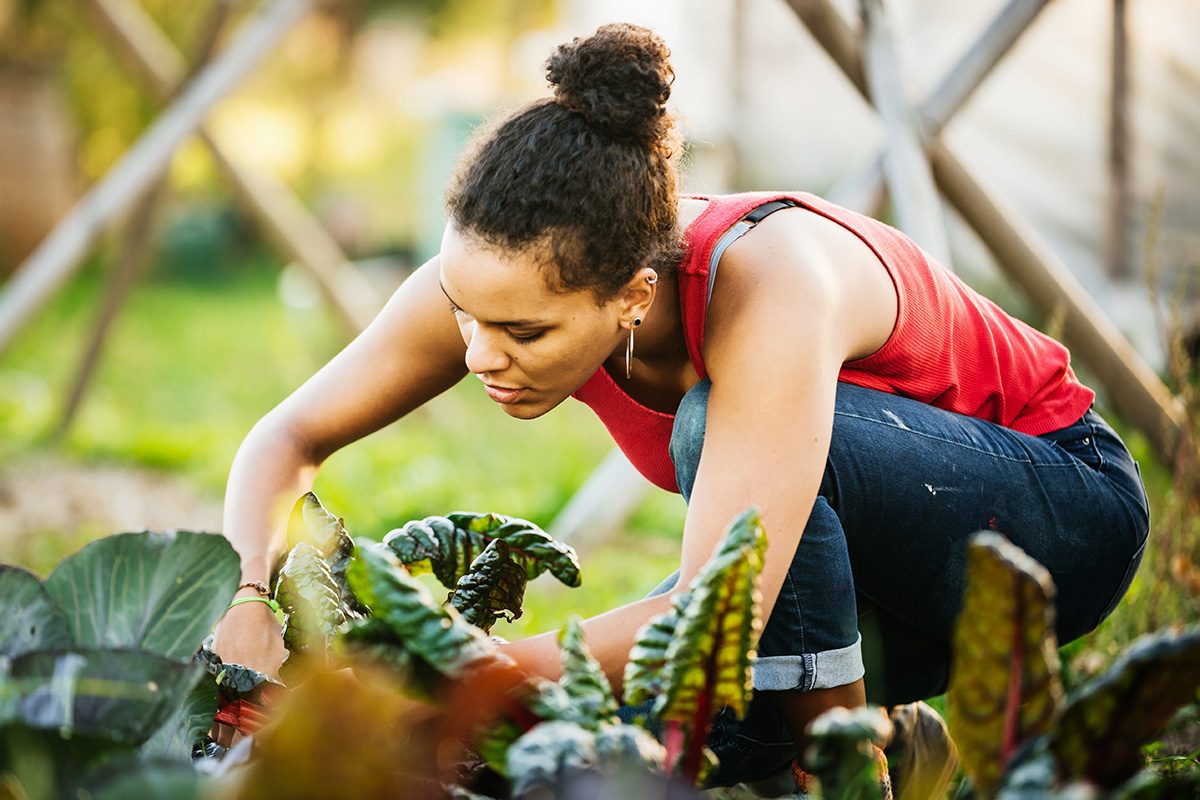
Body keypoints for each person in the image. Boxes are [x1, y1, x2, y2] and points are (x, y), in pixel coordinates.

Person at [213, 22, 1150, 795]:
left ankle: (851, 774)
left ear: (632, 295)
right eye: (463, 314)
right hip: (861, 578)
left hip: (1057, 518)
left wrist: (467, 671)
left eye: (524, 335)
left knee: (708, 450)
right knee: (649, 750)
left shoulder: (772, 283)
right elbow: (286, 437)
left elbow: (712, 608)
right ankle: (890, 739)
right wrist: (252, 594)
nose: (478, 353)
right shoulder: (499, 279)